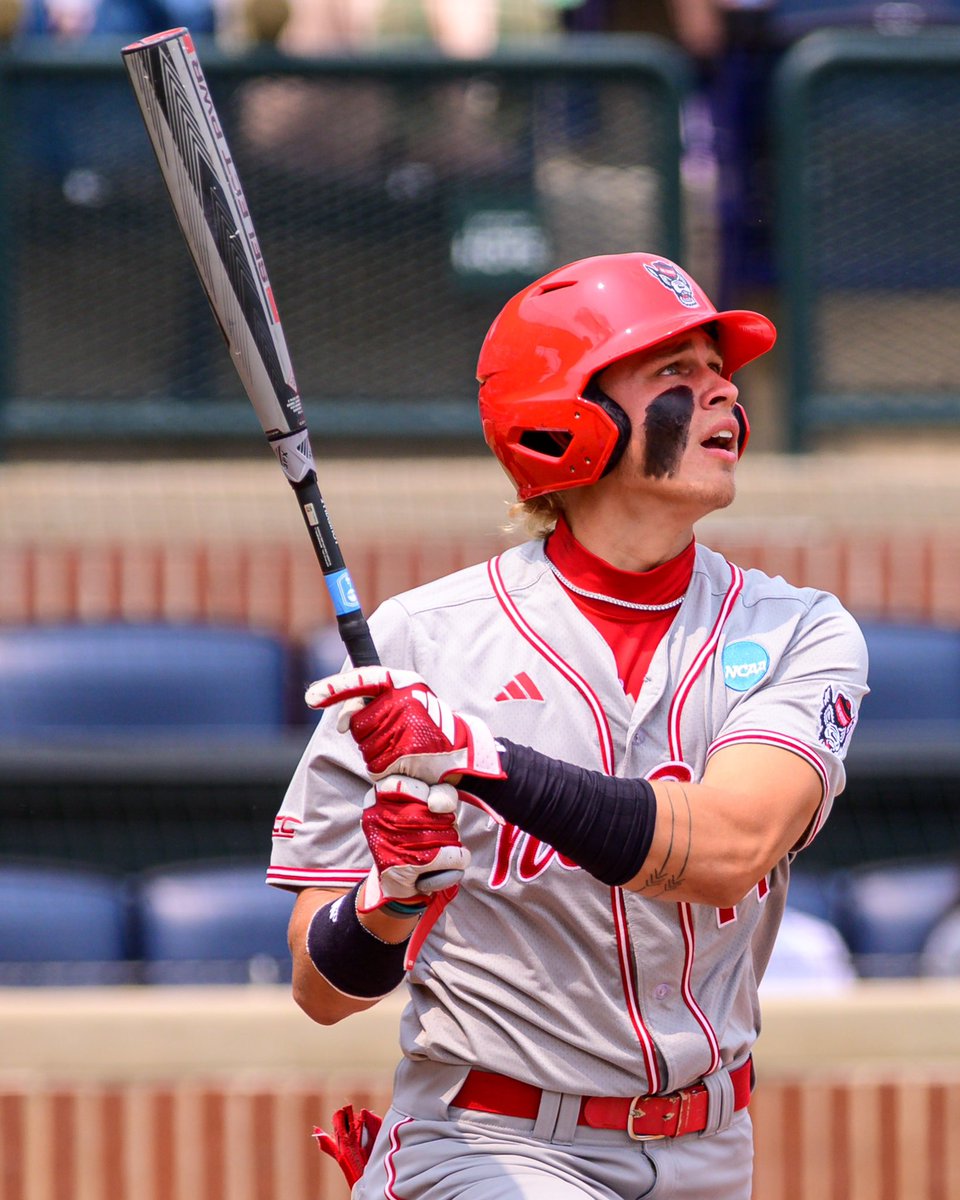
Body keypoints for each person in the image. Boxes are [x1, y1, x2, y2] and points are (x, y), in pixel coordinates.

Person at [268, 251, 869, 1200]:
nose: (724, 392)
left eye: (721, 370)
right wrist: (390, 901)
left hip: (713, 1149)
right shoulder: (422, 641)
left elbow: (729, 845)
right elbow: (322, 990)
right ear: (565, 420)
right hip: (489, 1143)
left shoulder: (797, 629)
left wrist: (483, 763)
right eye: (677, 372)